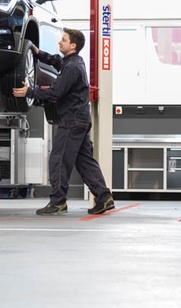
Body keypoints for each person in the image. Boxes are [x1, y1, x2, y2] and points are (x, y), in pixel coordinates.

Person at [12, 29, 115, 216]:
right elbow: (56, 61)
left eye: (64, 40)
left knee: (58, 160)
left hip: (72, 121)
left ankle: (58, 202)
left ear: (73, 45)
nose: (60, 42)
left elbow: (55, 93)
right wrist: (38, 52)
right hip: (80, 120)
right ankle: (104, 197)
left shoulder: (71, 68)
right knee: (85, 162)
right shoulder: (74, 62)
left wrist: (30, 92)